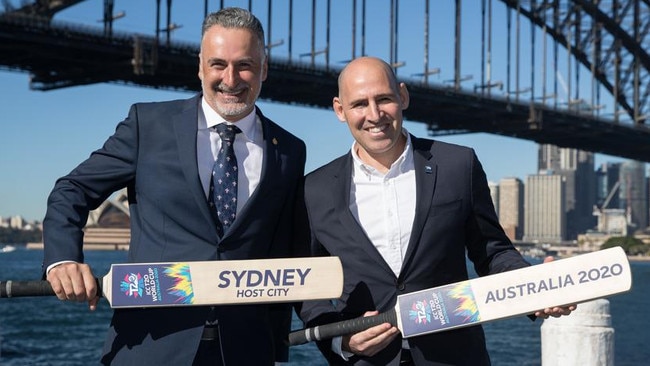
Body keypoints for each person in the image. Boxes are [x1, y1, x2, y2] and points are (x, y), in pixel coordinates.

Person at [42, 7, 308, 365]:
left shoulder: (289, 150)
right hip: (150, 345)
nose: (231, 78)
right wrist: (63, 258)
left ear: (264, 69)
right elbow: (71, 190)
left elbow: (286, 250)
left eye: (244, 64)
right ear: (200, 66)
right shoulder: (147, 125)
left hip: (246, 351)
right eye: (217, 64)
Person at [298, 56, 575, 365]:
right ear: (339, 109)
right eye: (359, 104)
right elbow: (309, 284)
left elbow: (492, 252)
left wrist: (533, 285)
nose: (374, 114)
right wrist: (341, 339)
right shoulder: (315, 189)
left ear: (403, 96)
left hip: (454, 357)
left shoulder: (459, 165)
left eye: (385, 99)